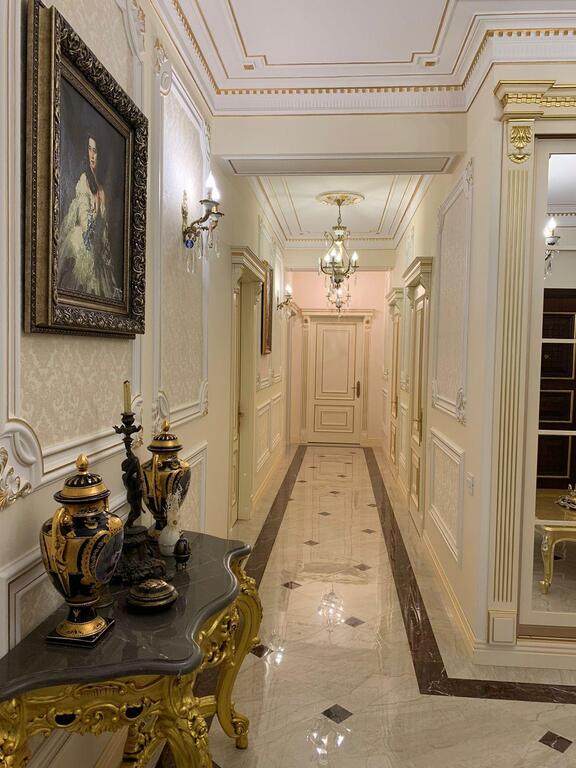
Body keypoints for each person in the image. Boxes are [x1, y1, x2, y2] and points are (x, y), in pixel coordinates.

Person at [58, 135, 121, 301]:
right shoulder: (83, 180)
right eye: (89, 149)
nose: (92, 155)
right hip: (82, 242)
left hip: (97, 249)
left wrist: (103, 251)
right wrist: (91, 238)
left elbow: (103, 229)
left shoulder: (101, 190)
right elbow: (84, 219)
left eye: (95, 150)